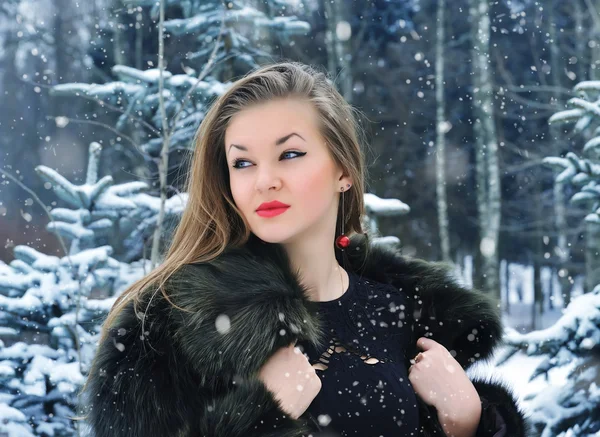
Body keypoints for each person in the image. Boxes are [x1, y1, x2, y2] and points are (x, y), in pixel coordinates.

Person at [78, 61, 530, 437]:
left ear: (343, 170)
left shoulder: (408, 314)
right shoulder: (164, 325)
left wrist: (473, 422)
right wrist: (258, 414)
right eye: (243, 162)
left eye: (289, 154)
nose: (264, 179)